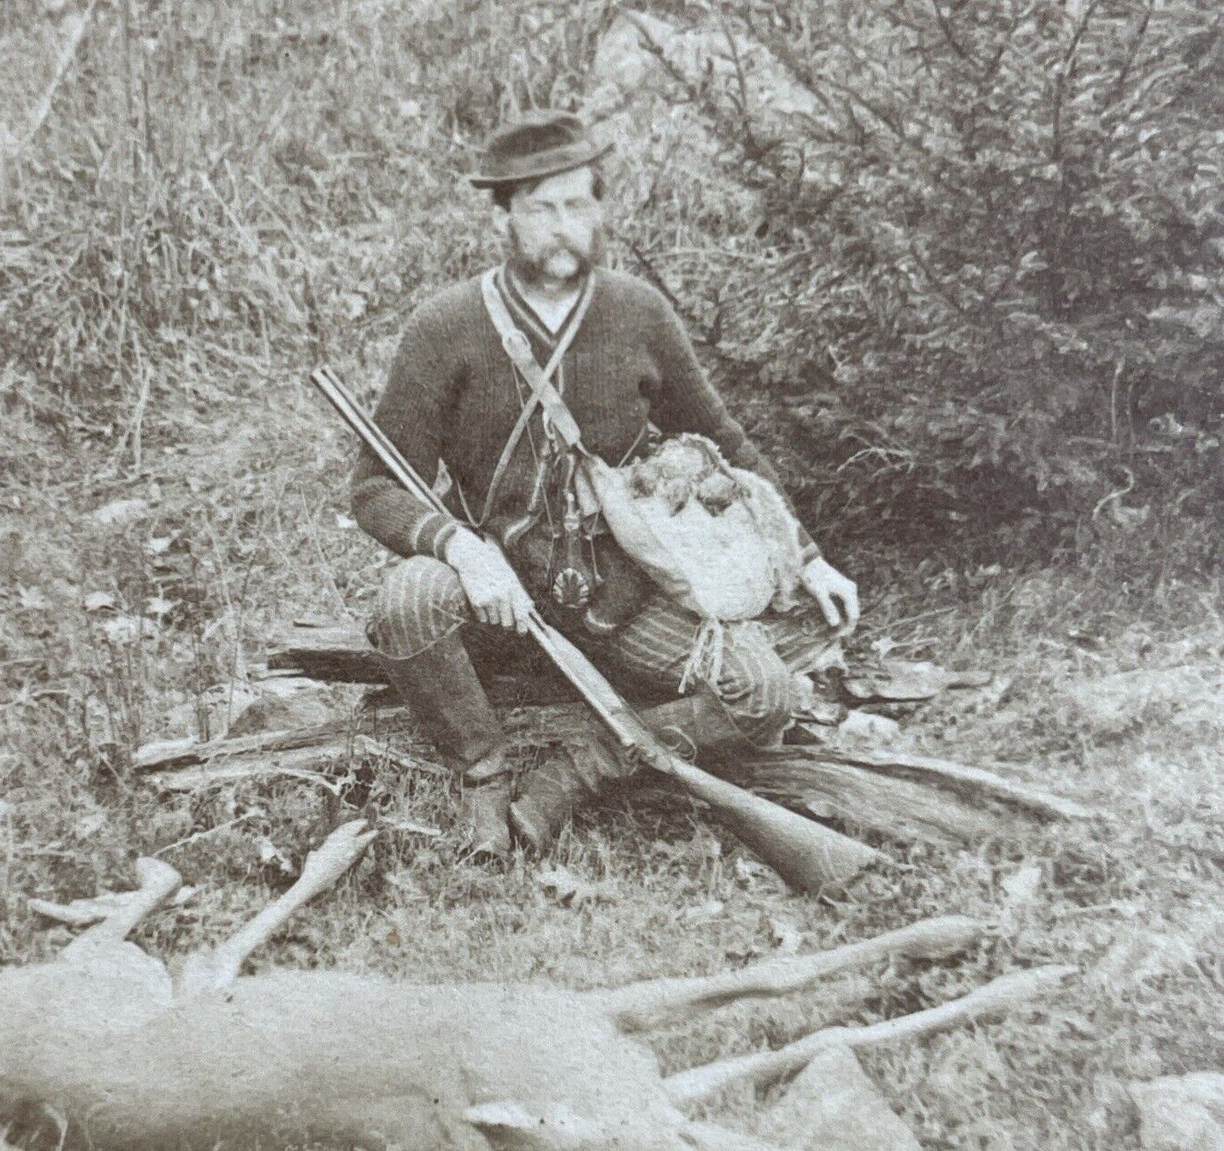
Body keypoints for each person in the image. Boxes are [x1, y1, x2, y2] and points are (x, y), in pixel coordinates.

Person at [350, 110, 859, 858]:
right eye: (541, 207)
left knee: (764, 694)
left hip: (617, 599)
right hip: (495, 600)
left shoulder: (636, 312)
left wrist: (805, 556)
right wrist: (460, 548)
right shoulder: (444, 326)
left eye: (579, 203)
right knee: (406, 601)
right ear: (506, 216)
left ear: (600, 207)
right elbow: (372, 486)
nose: (563, 225)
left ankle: (576, 771)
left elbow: (725, 441)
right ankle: (482, 775)